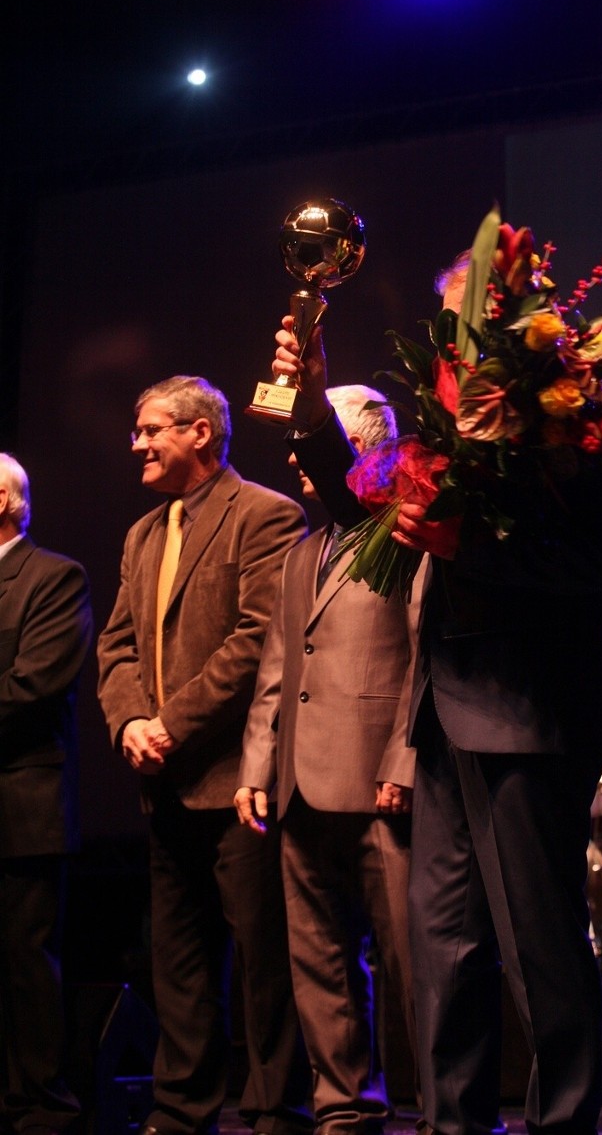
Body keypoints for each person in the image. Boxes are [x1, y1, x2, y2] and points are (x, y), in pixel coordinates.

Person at [269, 249, 602, 1135]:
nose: (464, 332)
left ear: (530, 312)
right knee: (444, 954)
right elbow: (372, 506)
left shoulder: (596, 407)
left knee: (541, 956)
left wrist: (464, 546)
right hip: (443, 710)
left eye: (481, 311)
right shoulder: (455, 416)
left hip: (531, 712)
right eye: (457, 317)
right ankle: (453, 1128)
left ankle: (561, 1126)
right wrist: (312, 397)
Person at [97, 375, 311, 1135]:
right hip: (165, 781)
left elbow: (257, 641)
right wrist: (130, 723)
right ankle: (182, 1109)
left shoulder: (264, 515)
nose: (139, 444)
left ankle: (276, 1108)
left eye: (152, 429)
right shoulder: (144, 533)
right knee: (178, 962)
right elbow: (116, 644)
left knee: (264, 959)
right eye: (138, 429)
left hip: (235, 780)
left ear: (200, 433)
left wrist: (170, 725)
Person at [234, 384, 423, 1135]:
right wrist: (256, 764)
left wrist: (404, 762)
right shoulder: (301, 550)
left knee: (417, 963)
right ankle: (344, 1106)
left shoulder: (405, 535)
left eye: (318, 439)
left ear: (366, 447)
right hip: (300, 785)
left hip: (381, 782)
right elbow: (278, 668)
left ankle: (446, 1106)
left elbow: (422, 655)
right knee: (319, 959)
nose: (295, 455)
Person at [0, 452, 93, 1135]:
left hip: (19, 804)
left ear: (5, 499)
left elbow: (32, 687)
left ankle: (40, 1105)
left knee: (25, 960)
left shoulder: (54, 578)